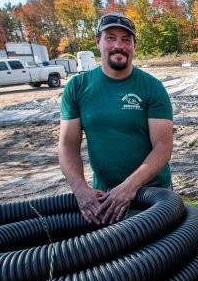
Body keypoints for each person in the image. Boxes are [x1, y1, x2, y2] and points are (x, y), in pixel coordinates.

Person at [58, 12, 173, 225]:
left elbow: (163, 146)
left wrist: (129, 187)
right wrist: (80, 190)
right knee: (106, 254)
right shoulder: (77, 87)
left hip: (152, 194)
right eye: (111, 37)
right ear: (98, 41)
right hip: (103, 196)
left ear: (134, 46)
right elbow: (67, 144)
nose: (118, 46)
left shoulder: (151, 87)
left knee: (161, 256)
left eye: (126, 40)